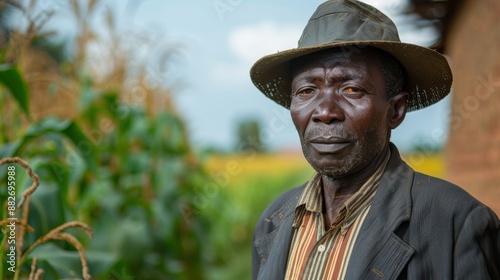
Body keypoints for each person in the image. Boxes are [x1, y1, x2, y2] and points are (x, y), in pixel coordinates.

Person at [249, 0, 500, 279]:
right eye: (307, 91)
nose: (325, 112)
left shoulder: (455, 221)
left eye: (352, 89)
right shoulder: (274, 220)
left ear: (395, 110)